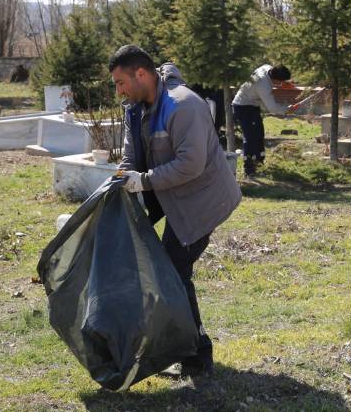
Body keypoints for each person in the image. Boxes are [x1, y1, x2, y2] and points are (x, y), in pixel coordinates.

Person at [109, 45, 241, 377]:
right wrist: (124, 178)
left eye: (121, 82)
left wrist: (143, 181)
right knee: (157, 267)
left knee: (172, 272)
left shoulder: (184, 106)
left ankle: (197, 355)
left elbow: (190, 165)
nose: (119, 90)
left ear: (141, 74)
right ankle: (180, 347)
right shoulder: (135, 109)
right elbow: (130, 156)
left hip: (202, 200)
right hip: (168, 194)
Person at [231, 64, 297, 177]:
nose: (280, 84)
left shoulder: (267, 67)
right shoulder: (263, 84)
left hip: (252, 105)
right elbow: (272, 108)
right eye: (280, 82)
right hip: (243, 106)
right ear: (275, 78)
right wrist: (286, 110)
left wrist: (284, 83)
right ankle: (249, 168)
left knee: (259, 135)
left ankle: (260, 162)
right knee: (251, 137)